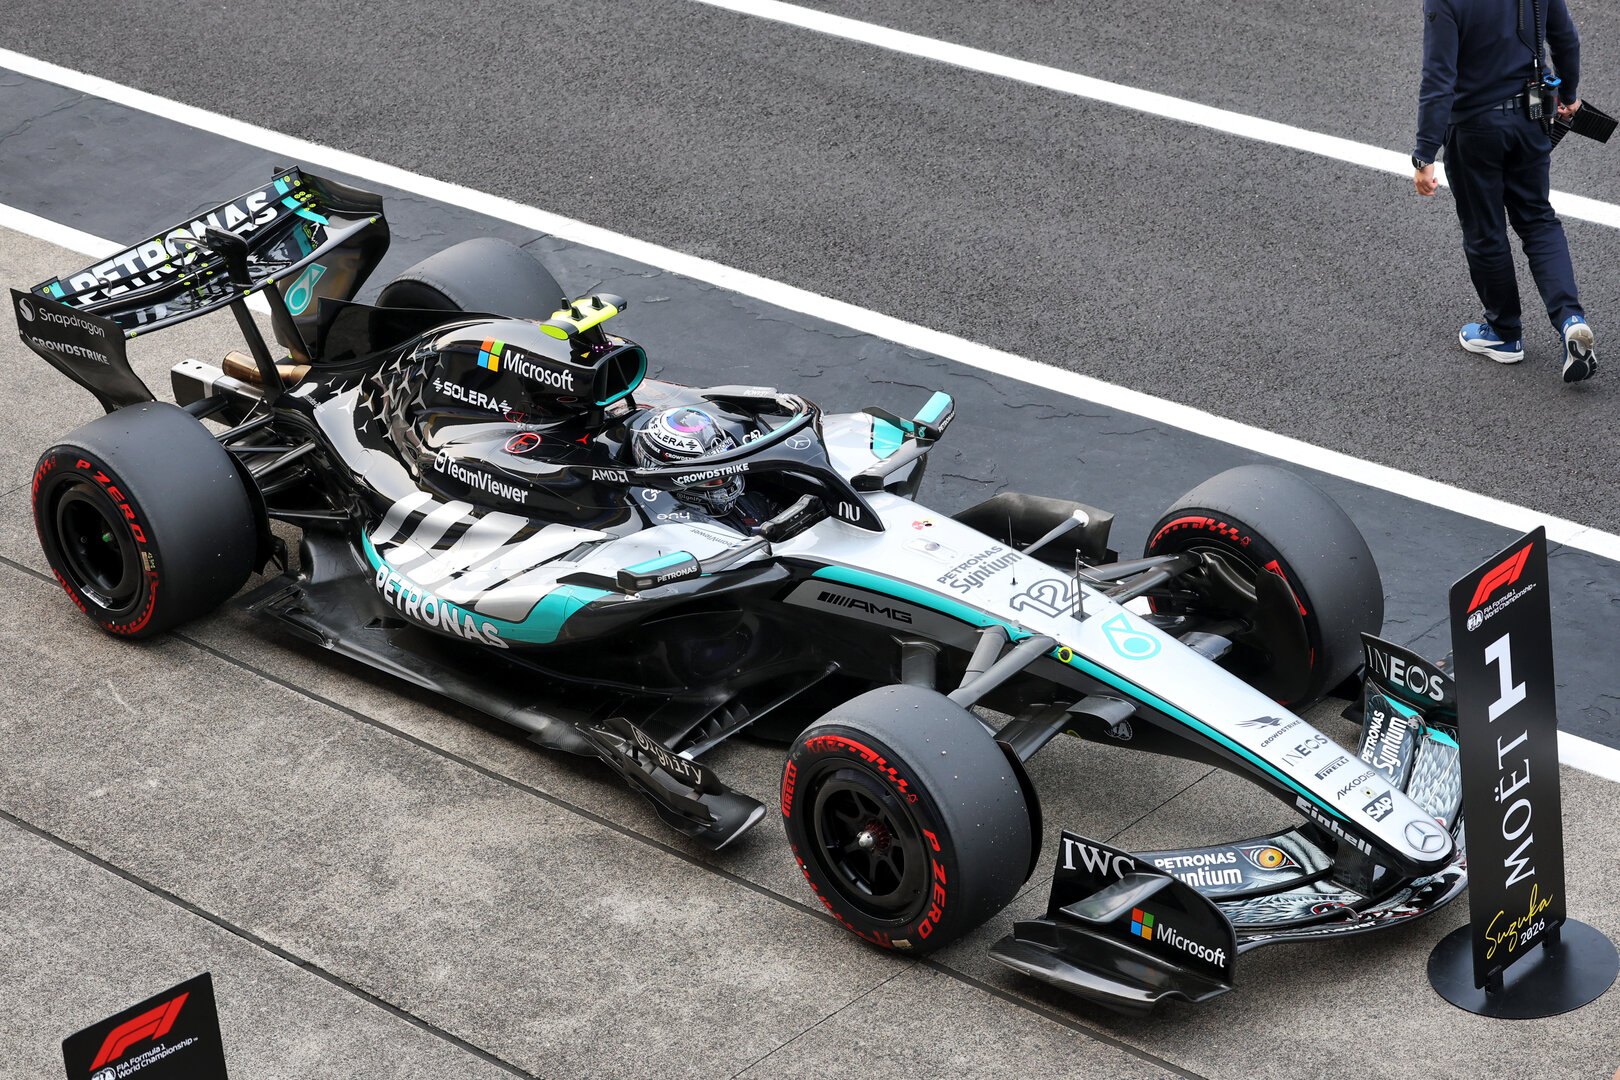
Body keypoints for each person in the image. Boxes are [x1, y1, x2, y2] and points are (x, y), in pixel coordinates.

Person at [1414, 0, 1596, 383]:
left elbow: (1438, 76)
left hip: (1474, 129)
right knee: (1538, 220)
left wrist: (1424, 153)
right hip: (1530, 118)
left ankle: (1504, 334)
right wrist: (1570, 93)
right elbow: (1566, 40)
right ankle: (1571, 320)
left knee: (1486, 231)